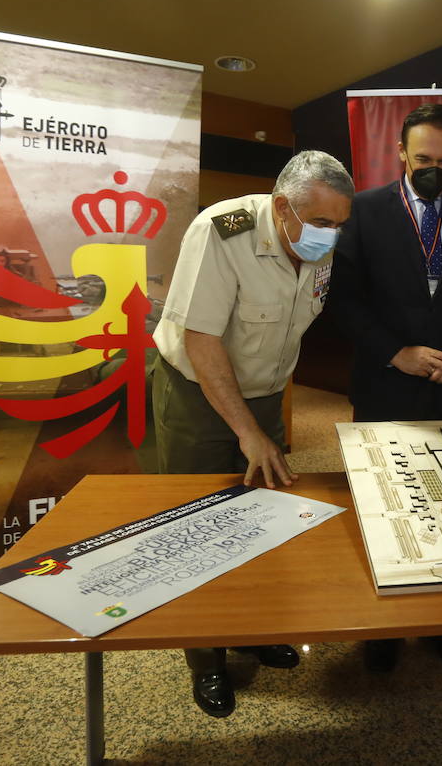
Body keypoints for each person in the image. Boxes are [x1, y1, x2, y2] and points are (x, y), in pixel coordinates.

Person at [144, 149, 354, 717]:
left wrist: (263, 425)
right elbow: (202, 341)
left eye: (339, 225)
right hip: (197, 393)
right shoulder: (221, 231)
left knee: (259, 519)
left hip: (262, 395)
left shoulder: (315, 243)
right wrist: (246, 431)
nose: (330, 236)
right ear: (283, 208)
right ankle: (205, 655)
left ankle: (253, 628)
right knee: (197, 523)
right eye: (322, 223)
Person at [331, 103, 442, 673]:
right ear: (401, 154)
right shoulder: (361, 211)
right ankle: (383, 626)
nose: (435, 168)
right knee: (385, 506)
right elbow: (343, 298)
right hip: (386, 381)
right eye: (424, 158)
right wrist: (395, 352)